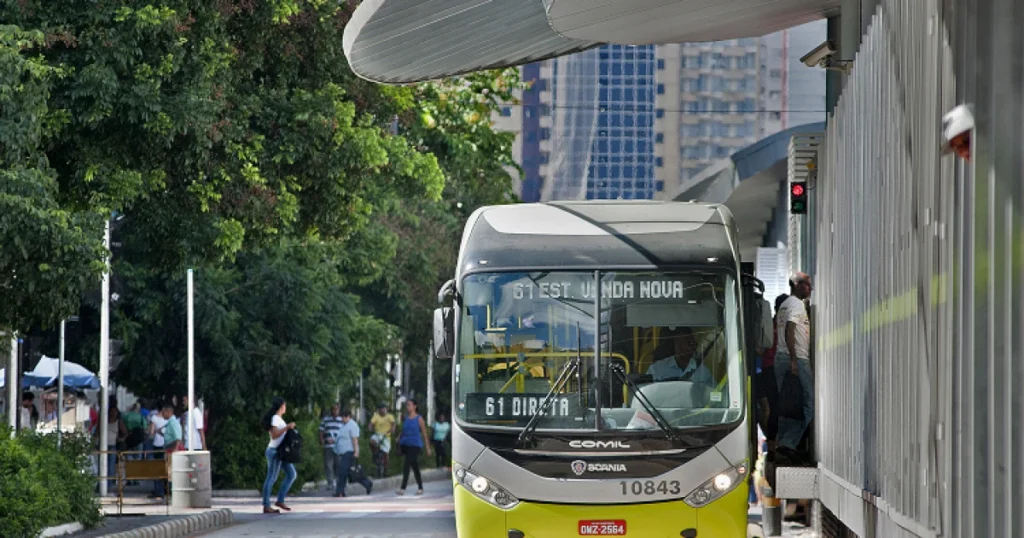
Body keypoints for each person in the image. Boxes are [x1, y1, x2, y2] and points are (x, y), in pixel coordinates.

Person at [261, 397, 297, 514]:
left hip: (281, 451)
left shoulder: (278, 418)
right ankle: (266, 505)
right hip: (274, 451)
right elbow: (275, 435)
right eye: (285, 405)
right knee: (271, 477)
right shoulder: (275, 418)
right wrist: (287, 428)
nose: (285, 407)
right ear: (281, 406)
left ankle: (280, 499)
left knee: (291, 474)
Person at [332, 409, 373, 497]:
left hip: (349, 452)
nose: (342, 419)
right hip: (343, 453)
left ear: (347, 417)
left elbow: (355, 440)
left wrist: (356, 452)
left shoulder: (352, 425)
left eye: (343, 417)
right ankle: (367, 483)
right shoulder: (344, 425)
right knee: (351, 473)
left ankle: (340, 492)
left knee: (342, 471)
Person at [396, 399, 431, 496]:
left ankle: (402, 488)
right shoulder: (405, 418)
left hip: (415, 445)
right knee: (415, 466)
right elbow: (403, 431)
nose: (408, 407)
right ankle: (420, 487)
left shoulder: (419, 419)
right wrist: (398, 438)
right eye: (407, 405)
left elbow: (424, 434)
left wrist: (428, 448)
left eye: (409, 405)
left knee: (406, 464)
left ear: (415, 406)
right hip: (405, 444)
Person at [319, 403, 344, 490]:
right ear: (331, 410)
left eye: (337, 409)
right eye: (334, 409)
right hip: (328, 445)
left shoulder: (341, 420)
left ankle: (338, 481)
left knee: (338, 464)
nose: (335, 411)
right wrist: (322, 439)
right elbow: (321, 430)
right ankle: (330, 483)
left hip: (338, 446)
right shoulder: (326, 420)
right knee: (328, 464)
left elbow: (343, 433)